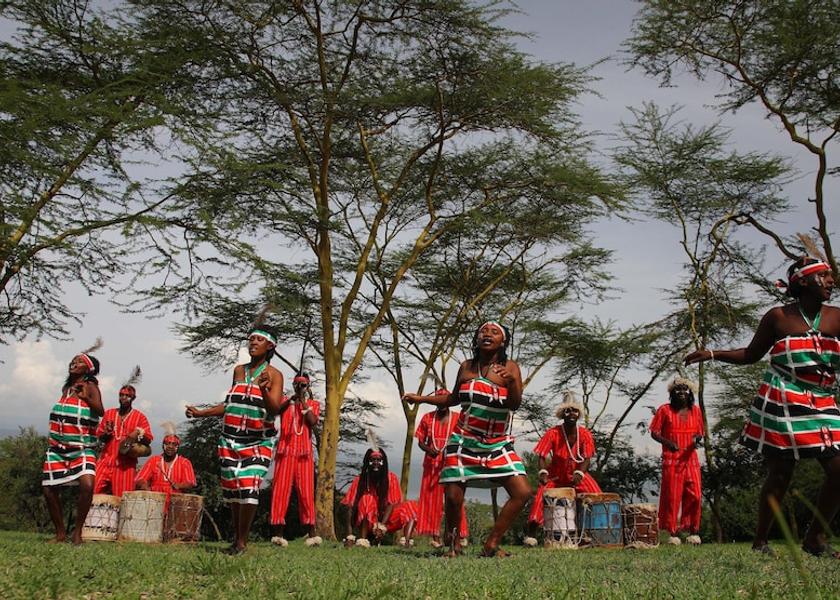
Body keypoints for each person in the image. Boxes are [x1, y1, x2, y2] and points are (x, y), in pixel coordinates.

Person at [685, 256, 840, 557]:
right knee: (781, 472)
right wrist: (713, 353)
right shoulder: (778, 317)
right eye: (824, 276)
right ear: (804, 282)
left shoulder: (836, 317)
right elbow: (751, 354)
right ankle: (760, 541)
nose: (832, 281)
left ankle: (815, 538)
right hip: (782, 396)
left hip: (822, 399)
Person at [404, 320, 530, 557]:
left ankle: (492, 543)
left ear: (503, 341)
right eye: (483, 331)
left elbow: (515, 404)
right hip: (463, 439)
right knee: (452, 496)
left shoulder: (510, 367)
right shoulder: (466, 367)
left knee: (522, 492)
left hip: (496, 442)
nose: (487, 334)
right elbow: (452, 399)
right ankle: (453, 546)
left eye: (494, 332)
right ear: (477, 337)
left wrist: (511, 383)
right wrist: (421, 399)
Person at [185, 326, 284, 554]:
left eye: (259, 340)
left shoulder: (274, 375)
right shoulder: (239, 371)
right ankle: (237, 539)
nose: (253, 343)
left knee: (249, 488)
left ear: (270, 346)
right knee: (234, 491)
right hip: (230, 440)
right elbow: (229, 404)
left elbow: (275, 409)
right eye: (251, 339)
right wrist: (201, 413)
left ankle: (242, 542)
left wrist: (265, 390)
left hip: (258, 441)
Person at [42, 349, 104, 544]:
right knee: (49, 490)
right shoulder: (67, 388)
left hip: (82, 448)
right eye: (73, 360)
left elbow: (100, 410)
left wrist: (86, 399)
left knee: (87, 485)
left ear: (88, 369)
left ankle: (77, 533)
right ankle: (60, 533)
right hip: (58, 448)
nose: (73, 363)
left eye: (79, 361)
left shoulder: (90, 385)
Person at [523, 392, 602, 546]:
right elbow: (541, 455)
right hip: (556, 475)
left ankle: (594, 534)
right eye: (568, 411)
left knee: (597, 496)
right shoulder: (553, 433)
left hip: (578, 474)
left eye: (575, 410)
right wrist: (543, 473)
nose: (571, 414)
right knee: (541, 495)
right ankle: (531, 535)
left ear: (578, 414)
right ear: (562, 414)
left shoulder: (585, 434)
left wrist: (580, 473)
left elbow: (586, 458)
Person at [649, 377, 704, 545]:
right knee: (672, 497)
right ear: (672, 393)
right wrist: (668, 443)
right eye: (678, 389)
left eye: (685, 389)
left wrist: (697, 440)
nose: (681, 392)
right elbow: (654, 432)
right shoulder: (664, 410)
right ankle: (671, 532)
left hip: (691, 458)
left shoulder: (696, 411)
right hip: (672, 460)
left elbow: (700, 432)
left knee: (695, 494)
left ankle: (692, 530)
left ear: (690, 393)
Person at [269, 372, 321, 547]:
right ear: (292, 385)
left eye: (303, 384)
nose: (300, 386)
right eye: (297, 383)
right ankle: (278, 534)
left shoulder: (313, 404)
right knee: (280, 491)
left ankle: (312, 534)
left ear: (308, 386)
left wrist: (303, 401)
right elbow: (276, 410)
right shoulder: (285, 401)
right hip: (285, 452)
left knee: (306, 493)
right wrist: (292, 399)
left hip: (304, 454)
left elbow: (313, 422)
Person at [414, 393, 469, 548]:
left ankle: (460, 535)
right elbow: (420, 441)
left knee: (455, 498)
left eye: (445, 400)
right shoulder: (427, 418)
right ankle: (435, 537)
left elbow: (465, 438)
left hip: (452, 462)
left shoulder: (458, 417)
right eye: (439, 400)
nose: (442, 403)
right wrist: (429, 449)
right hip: (432, 464)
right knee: (432, 500)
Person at [341, 447, 418, 548]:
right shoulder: (360, 480)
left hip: (388, 521)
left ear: (383, 462)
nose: (376, 463)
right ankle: (363, 541)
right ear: (368, 462)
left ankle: (407, 542)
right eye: (373, 460)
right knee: (367, 499)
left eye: (379, 460)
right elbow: (350, 508)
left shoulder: (391, 478)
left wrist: (381, 526)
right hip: (368, 521)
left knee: (411, 506)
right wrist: (349, 536)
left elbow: (392, 504)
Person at [94, 378, 152, 497]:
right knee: (93, 493)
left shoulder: (140, 417)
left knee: (122, 500)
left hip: (125, 465)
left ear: (133, 398)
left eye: (127, 395)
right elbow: (100, 437)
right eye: (121, 395)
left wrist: (137, 433)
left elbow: (148, 439)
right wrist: (106, 433)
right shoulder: (109, 413)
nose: (123, 398)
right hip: (105, 460)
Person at [135, 423, 196, 499]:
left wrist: (180, 485)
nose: (170, 446)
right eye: (167, 443)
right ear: (163, 446)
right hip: (155, 500)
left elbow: (190, 482)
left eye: (174, 444)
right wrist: (144, 486)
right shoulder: (154, 460)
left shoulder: (184, 462)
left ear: (177, 447)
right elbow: (140, 478)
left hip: (175, 502)